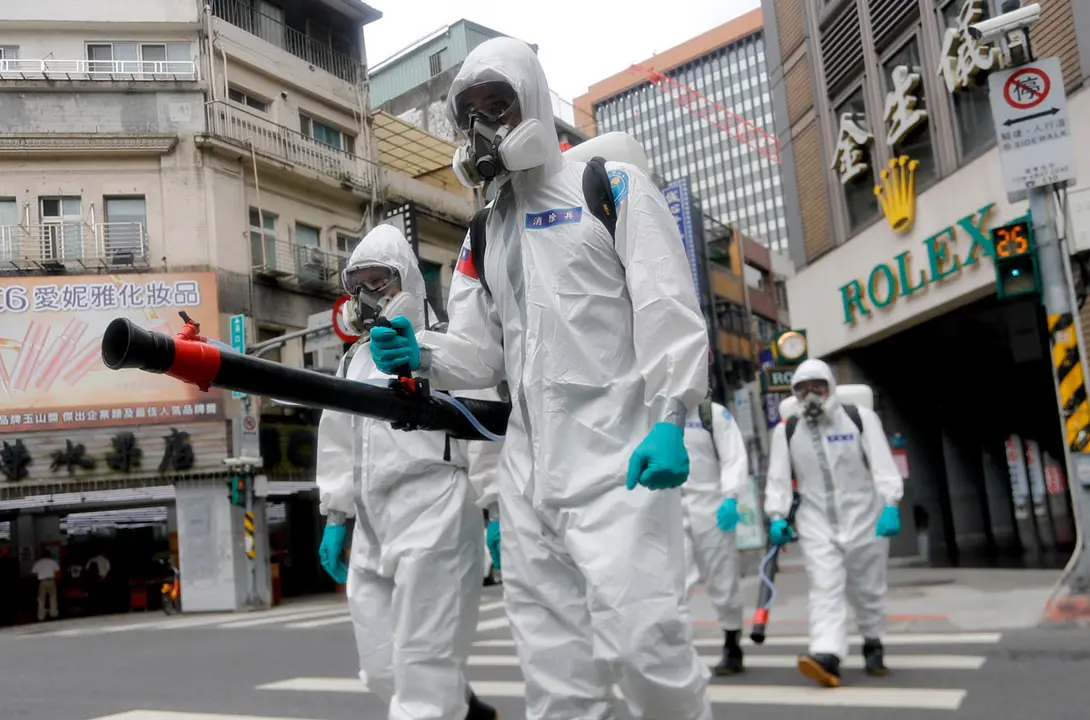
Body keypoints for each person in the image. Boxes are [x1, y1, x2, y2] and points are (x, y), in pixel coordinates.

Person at [369, 37, 714, 720]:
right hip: (531, 480)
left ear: (529, 98)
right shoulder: (483, 234)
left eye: (496, 105)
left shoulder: (609, 188)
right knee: (556, 678)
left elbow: (668, 307)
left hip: (623, 463)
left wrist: (674, 418)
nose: (483, 126)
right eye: (468, 113)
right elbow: (481, 356)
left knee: (648, 650)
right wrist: (424, 351)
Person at [315, 224, 500, 720]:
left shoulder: (446, 346)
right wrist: (336, 515)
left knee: (423, 678)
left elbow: (483, 423)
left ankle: (445, 704)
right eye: (360, 286)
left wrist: (496, 506)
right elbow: (337, 438)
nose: (369, 296)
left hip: (434, 513)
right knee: (380, 671)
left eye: (380, 282)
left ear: (408, 282)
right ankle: (464, 710)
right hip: (373, 528)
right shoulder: (355, 358)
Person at [764, 358, 904, 688]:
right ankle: (827, 655)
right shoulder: (786, 430)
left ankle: (873, 643)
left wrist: (890, 503)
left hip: (865, 517)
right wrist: (776, 515)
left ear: (831, 388)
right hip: (817, 523)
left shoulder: (859, 418)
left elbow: (883, 465)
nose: (811, 395)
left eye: (818, 387)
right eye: (802, 389)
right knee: (825, 586)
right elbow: (778, 479)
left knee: (867, 587)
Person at [681, 396, 750, 675]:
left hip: (712, 508)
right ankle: (680, 650)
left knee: (722, 579)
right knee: (673, 585)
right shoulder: (652, 412)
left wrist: (731, 497)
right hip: (669, 509)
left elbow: (733, 458)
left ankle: (732, 640)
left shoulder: (712, 415)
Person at [31, 551, 60, 622]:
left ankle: (41, 616)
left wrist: (39, 575)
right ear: (49, 555)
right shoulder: (53, 562)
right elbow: (57, 571)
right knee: (53, 597)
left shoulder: (38, 563)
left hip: (42, 582)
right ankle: (53, 614)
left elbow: (33, 573)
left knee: (41, 599)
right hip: (51, 581)